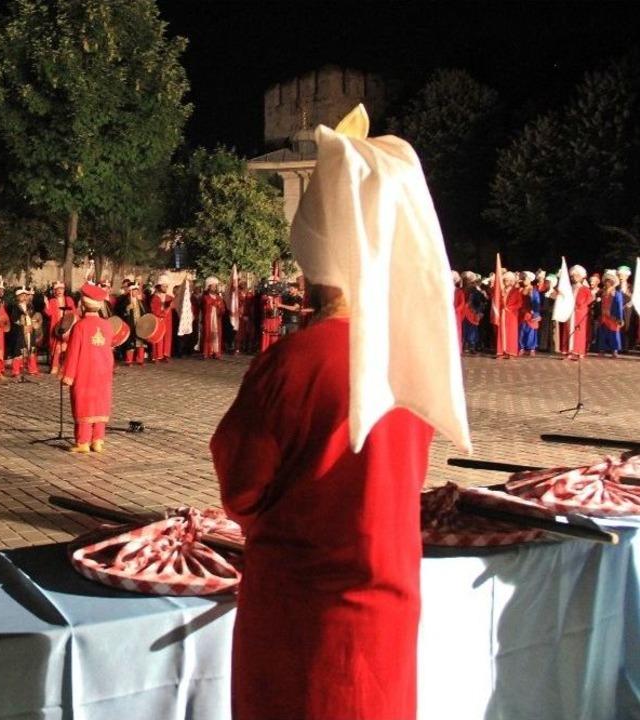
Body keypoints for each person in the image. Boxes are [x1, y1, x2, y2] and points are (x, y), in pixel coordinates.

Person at [211, 105, 470, 720]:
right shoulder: (410, 349)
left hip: (301, 612)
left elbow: (241, 489)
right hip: (390, 598)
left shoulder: (296, 361)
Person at [60, 282, 115, 453]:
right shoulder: (107, 325)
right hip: (103, 371)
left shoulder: (80, 326)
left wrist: (67, 376)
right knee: (100, 403)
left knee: (84, 404)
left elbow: (73, 353)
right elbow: (109, 349)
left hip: (85, 372)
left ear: (83, 305)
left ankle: (83, 442)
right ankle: (98, 440)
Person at [7, 287, 39, 378]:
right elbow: (13, 319)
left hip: (30, 330)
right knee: (19, 350)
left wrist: (33, 322)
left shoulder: (30, 307)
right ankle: (16, 370)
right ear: (18, 297)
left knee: (31, 348)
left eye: (25, 295)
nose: (24, 297)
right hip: (20, 332)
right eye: (22, 296)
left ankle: (32, 369)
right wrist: (20, 322)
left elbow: (34, 317)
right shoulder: (15, 307)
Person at [562, 265, 594, 360]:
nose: (575, 278)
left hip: (580, 313)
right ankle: (569, 351)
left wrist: (581, 306)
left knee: (579, 332)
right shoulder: (570, 288)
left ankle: (579, 351)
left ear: (581, 277)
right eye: (573, 276)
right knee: (568, 330)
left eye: (577, 276)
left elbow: (590, 299)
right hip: (570, 312)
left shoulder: (585, 289)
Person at [45, 281, 76, 373]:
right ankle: (55, 366)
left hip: (68, 326)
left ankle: (66, 367)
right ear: (54, 291)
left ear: (64, 290)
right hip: (56, 327)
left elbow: (73, 312)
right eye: (57, 289)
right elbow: (49, 313)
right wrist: (46, 304)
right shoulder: (52, 301)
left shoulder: (69, 299)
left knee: (67, 347)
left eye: (61, 289)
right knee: (57, 347)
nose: (59, 291)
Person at [116, 283, 148, 366]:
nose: (136, 292)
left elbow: (145, 312)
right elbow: (120, 312)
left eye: (137, 291)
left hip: (139, 324)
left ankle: (140, 360)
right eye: (134, 291)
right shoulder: (125, 301)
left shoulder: (140, 302)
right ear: (130, 291)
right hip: (130, 324)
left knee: (140, 342)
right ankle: (129, 360)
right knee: (130, 343)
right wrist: (127, 309)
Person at [595, 271, 625, 357]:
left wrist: (620, 318)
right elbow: (598, 304)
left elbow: (619, 306)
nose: (607, 283)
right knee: (602, 333)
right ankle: (601, 350)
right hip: (603, 316)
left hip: (613, 317)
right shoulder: (601, 293)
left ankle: (614, 351)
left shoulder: (617, 294)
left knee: (614, 333)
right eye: (606, 281)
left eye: (609, 282)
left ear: (612, 283)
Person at [199, 277, 227, 359]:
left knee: (216, 335)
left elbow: (223, 308)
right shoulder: (205, 297)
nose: (214, 288)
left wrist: (220, 308)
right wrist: (214, 303)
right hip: (209, 318)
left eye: (215, 286)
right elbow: (205, 305)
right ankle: (207, 352)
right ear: (209, 287)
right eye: (213, 286)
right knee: (208, 334)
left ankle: (216, 352)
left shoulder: (219, 297)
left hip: (217, 319)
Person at [149, 274, 174, 362]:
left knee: (167, 337)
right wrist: (165, 310)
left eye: (167, 286)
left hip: (167, 321)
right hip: (159, 320)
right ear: (160, 286)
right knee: (158, 337)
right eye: (164, 286)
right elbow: (154, 310)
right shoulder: (155, 298)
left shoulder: (169, 297)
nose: (166, 288)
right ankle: (157, 356)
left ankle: (165, 354)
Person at [518, 271, 541, 356]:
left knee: (531, 331)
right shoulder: (520, 290)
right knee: (521, 331)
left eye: (525, 279)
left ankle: (532, 348)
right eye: (522, 278)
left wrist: (535, 313)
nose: (523, 280)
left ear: (530, 280)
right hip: (522, 313)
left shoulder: (533, 290)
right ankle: (521, 347)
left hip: (530, 313)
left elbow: (536, 302)